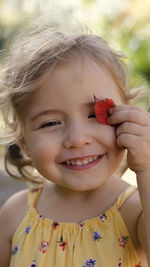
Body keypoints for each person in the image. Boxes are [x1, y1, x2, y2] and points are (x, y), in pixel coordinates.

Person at [0, 16, 150, 267]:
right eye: (50, 123)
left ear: (127, 117)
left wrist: (146, 167)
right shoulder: (15, 214)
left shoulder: (134, 211)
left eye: (95, 114)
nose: (78, 139)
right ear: (23, 141)